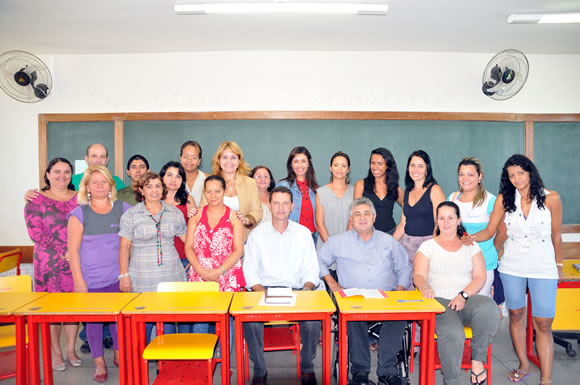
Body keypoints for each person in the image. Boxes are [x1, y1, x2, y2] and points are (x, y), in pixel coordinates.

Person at [463, 154, 563, 385]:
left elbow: (556, 236)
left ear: (530, 172)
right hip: (512, 265)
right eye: (511, 175)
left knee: (543, 323)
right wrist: (470, 238)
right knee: (516, 315)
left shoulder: (552, 199)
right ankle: (524, 364)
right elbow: (490, 232)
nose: (517, 178)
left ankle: (546, 379)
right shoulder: (504, 199)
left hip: (543, 266)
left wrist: (558, 267)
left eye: (520, 173)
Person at [318, 197, 412, 385]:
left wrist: (400, 289)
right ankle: (360, 372)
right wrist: (332, 283)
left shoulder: (389, 241)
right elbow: (318, 261)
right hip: (353, 298)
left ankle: (388, 372)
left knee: (400, 315)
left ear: (374, 217)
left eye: (366, 213)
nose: (362, 218)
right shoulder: (338, 242)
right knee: (352, 315)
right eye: (357, 214)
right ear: (351, 219)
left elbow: (404, 267)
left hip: (386, 298)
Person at [414, 201, 499, 385]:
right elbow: (418, 275)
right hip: (438, 302)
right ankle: (451, 380)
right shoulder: (428, 246)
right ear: (437, 220)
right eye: (442, 218)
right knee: (454, 334)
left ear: (458, 220)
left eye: (450, 218)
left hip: (465, 299)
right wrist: (424, 286)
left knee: (489, 308)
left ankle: (477, 363)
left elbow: (480, 277)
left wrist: (463, 295)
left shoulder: (470, 246)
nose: (446, 222)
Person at [242, 186, 321, 385]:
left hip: (296, 292)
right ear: (269, 205)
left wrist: (306, 290)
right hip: (264, 291)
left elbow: (311, 268)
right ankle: (260, 370)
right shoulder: (257, 234)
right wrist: (262, 294)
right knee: (250, 322)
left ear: (292, 206)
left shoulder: (303, 233)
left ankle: (307, 366)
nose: (280, 207)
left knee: (313, 323)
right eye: (276, 203)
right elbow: (250, 270)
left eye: (285, 203)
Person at [67, 166, 131, 383]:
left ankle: (119, 355)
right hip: (91, 280)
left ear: (111, 185)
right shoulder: (79, 214)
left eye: (104, 181)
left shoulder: (123, 208)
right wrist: (79, 281)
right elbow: (73, 250)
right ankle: (99, 362)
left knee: (118, 322)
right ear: (87, 188)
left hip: (117, 278)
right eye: (95, 182)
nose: (100, 186)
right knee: (93, 324)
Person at [23, 157, 81, 372]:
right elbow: (35, 233)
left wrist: (73, 251)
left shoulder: (79, 198)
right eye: (57, 171)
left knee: (72, 309)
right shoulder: (36, 200)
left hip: (75, 260)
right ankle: (55, 351)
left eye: (67, 172)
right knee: (52, 310)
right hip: (48, 263)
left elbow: (88, 225)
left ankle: (70, 350)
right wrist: (63, 250)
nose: (62, 176)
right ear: (47, 174)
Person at [118, 172, 188, 340]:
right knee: (143, 323)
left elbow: (188, 242)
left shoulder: (175, 213)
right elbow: (124, 247)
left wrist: (193, 264)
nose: (154, 190)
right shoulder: (131, 215)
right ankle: (141, 362)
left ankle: (165, 363)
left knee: (169, 320)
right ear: (141, 190)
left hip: (171, 274)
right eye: (149, 186)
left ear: (163, 189)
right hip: (141, 276)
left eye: (158, 186)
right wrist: (124, 275)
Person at [185, 175, 245, 333]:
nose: (213, 196)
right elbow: (188, 247)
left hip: (227, 274)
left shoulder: (234, 217)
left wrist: (219, 271)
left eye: (217, 191)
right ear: (204, 192)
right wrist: (202, 272)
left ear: (224, 191)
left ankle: (223, 356)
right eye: (209, 192)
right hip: (200, 274)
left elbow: (239, 249)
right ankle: (200, 356)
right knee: (201, 319)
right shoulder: (196, 215)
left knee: (227, 322)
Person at [447, 157, 500, 297]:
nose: (465, 178)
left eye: (470, 174)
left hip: (483, 264)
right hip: (457, 264)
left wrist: (472, 238)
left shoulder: (490, 200)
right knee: (458, 306)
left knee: (480, 308)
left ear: (480, 176)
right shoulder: (452, 198)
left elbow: (490, 231)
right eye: (461, 174)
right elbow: (444, 228)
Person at [393, 150, 446, 266]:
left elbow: (440, 223)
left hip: (428, 247)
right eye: (412, 165)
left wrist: (433, 250)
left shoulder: (434, 189)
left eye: (420, 166)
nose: (415, 170)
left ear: (427, 169)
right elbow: (402, 224)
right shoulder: (407, 191)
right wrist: (389, 244)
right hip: (406, 247)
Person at [201, 141, 262, 241]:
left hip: (244, 239)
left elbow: (257, 212)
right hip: (215, 241)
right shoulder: (208, 183)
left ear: (239, 161)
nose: (229, 161)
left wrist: (246, 219)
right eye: (225, 157)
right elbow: (204, 210)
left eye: (233, 157)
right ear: (218, 160)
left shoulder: (250, 183)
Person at [24, 143, 125, 202]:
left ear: (107, 160)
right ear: (86, 159)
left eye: (102, 157)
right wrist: (31, 195)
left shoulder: (117, 181)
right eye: (94, 156)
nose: (98, 160)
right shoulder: (71, 180)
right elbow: (53, 196)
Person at [353, 148, 404, 235]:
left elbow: (409, 207)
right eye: (373, 163)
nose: (375, 167)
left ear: (387, 165)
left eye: (380, 164)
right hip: (367, 235)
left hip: (390, 234)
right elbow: (355, 214)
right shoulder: (361, 185)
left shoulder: (395, 187)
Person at [277, 146, 319, 243]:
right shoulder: (284, 186)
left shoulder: (316, 189)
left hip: (312, 241)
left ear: (309, 163)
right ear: (291, 164)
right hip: (290, 240)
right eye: (296, 161)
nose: (300, 165)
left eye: (303, 161)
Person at [315, 151, 354, 249]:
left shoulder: (355, 191)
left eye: (344, 166)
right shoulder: (321, 192)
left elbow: (355, 221)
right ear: (330, 168)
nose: (339, 169)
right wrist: (332, 249)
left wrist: (345, 248)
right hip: (326, 247)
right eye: (336, 165)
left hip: (349, 247)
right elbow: (320, 224)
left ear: (348, 169)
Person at [160, 161, 194, 269]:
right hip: (158, 258)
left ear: (182, 181)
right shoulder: (153, 198)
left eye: (178, 176)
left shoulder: (188, 200)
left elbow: (195, 231)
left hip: (183, 257)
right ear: (162, 177)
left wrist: (194, 258)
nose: (173, 180)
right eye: (169, 175)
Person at [179, 140, 206, 207]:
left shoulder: (207, 179)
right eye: (186, 156)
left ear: (199, 160)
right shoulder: (173, 180)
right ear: (180, 158)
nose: (189, 160)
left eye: (194, 157)